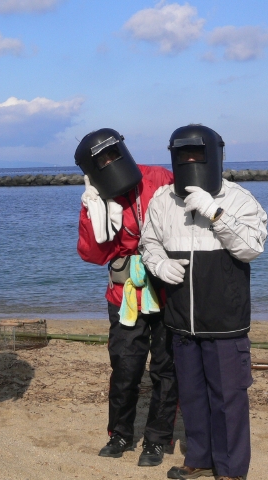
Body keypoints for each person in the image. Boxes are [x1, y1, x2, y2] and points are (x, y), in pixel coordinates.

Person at [140, 124, 268, 480]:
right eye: (184, 155)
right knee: (193, 396)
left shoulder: (240, 199)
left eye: (198, 154)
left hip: (225, 320)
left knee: (228, 399)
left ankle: (230, 470)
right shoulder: (163, 200)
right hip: (181, 319)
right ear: (174, 157)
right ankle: (199, 457)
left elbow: (252, 248)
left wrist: (216, 214)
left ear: (216, 156)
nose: (191, 161)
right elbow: (148, 243)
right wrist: (159, 263)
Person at [75, 128, 178, 467]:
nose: (109, 162)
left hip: (168, 289)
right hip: (124, 294)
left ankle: (157, 440)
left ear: (122, 151)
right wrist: (93, 211)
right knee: (125, 366)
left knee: (166, 368)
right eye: (100, 161)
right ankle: (119, 434)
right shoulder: (98, 196)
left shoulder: (159, 177)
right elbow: (93, 254)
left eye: (112, 154)